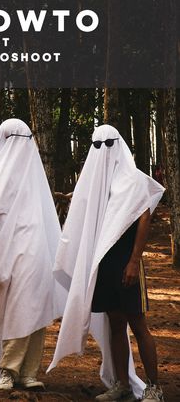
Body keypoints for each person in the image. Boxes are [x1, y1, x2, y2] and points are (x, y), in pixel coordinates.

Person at [47, 124, 165, 402]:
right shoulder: (92, 182)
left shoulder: (134, 180)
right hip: (104, 263)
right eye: (96, 145)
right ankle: (122, 384)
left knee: (138, 323)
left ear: (118, 144)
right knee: (115, 323)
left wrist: (134, 261)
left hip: (127, 260)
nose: (102, 151)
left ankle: (154, 387)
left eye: (107, 144)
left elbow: (143, 218)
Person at [0, 118, 65, 390]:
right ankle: (8, 370)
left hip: (38, 254)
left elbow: (45, 220)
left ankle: (28, 372)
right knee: (17, 310)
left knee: (36, 308)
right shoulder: (0, 177)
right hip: (10, 257)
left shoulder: (35, 177)